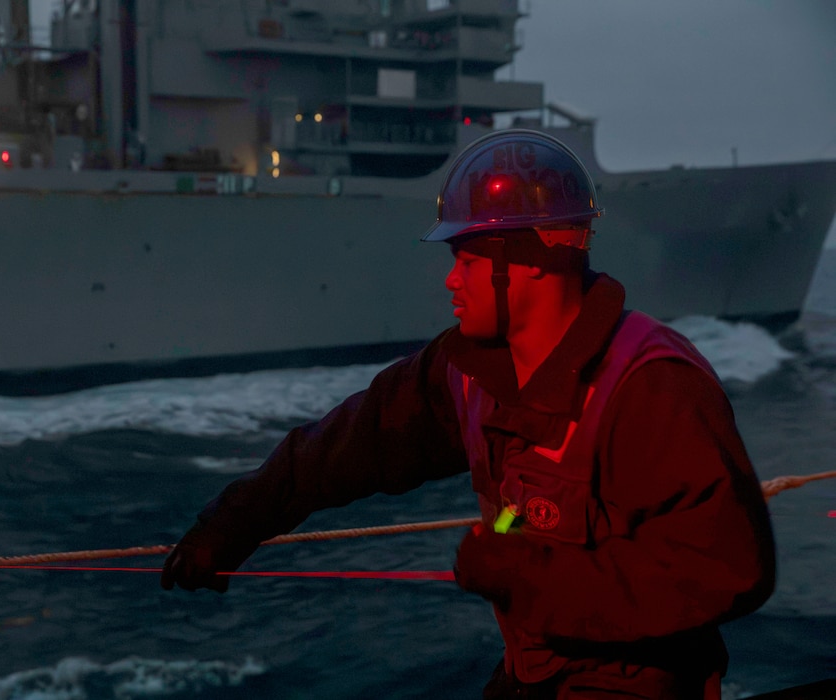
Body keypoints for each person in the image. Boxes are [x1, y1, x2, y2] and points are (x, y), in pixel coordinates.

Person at [160, 129, 776, 699]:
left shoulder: (650, 385)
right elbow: (349, 444)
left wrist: (529, 577)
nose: (451, 282)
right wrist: (232, 524)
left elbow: (729, 566)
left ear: (530, 263)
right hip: (535, 672)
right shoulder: (468, 372)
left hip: (637, 684)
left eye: (469, 262)